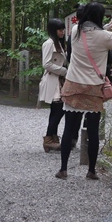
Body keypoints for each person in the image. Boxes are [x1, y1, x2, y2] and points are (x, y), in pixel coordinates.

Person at [56, 2, 112, 180]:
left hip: (73, 85)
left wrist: (109, 26)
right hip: (93, 88)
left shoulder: (75, 30)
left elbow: (92, 33)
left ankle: (63, 169)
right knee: (93, 131)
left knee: (68, 129)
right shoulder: (105, 36)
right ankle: (91, 171)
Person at [37, 18, 67, 152]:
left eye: (63, 29)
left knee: (56, 111)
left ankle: (53, 137)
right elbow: (46, 64)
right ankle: (49, 138)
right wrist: (65, 71)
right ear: (54, 30)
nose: (63, 32)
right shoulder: (49, 43)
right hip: (53, 81)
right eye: (60, 30)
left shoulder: (60, 43)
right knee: (59, 110)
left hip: (59, 81)